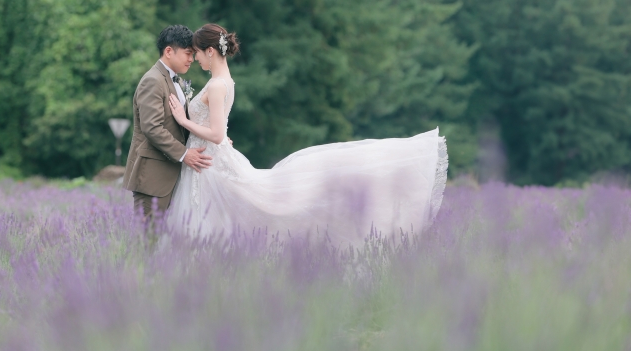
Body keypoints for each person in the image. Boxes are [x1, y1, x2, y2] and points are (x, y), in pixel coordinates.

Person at [166, 24, 447, 246]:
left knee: (227, 216)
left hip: (209, 160)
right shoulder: (226, 81)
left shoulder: (216, 85)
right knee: (220, 218)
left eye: (198, 53)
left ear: (211, 51)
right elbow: (220, 129)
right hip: (210, 158)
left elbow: (215, 133)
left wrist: (182, 119)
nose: (196, 58)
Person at [123, 25, 213, 219]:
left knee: (165, 244)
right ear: (169, 51)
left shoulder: (176, 81)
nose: (192, 59)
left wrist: (214, 140)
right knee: (148, 242)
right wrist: (184, 154)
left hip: (173, 175)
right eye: (188, 53)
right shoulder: (153, 80)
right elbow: (152, 127)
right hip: (153, 177)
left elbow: (184, 125)